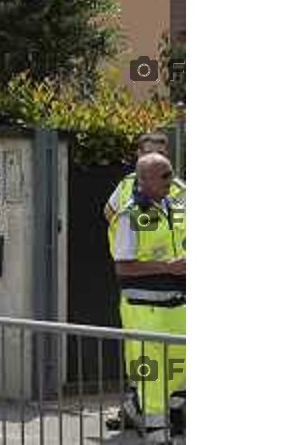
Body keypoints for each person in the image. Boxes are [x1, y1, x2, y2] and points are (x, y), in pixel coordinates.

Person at [109, 153, 186, 435]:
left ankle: (147, 410)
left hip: (178, 302)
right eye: (164, 175)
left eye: (171, 173)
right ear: (143, 181)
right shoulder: (130, 215)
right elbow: (123, 267)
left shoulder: (176, 208)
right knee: (151, 368)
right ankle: (155, 428)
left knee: (180, 361)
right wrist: (167, 267)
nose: (171, 179)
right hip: (144, 307)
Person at [105, 132, 185, 225]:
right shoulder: (127, 182)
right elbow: (109, 212)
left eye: (160, 153)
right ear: (139, 154)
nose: (154, 158)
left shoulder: (179, 189)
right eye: (149, 153)